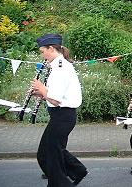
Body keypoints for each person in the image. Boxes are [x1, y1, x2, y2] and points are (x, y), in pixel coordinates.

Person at [32, 33, 87, 187]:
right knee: (50, 153)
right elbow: (57, 96)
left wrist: (42, 90)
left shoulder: (61, 68)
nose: (42, 55)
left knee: (49, 156)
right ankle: (78, 171)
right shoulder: (58, 66)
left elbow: (55, 100)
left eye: (42, 51)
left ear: (51, 49)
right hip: (61, 117)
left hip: (62, 117)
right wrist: (42, 94)